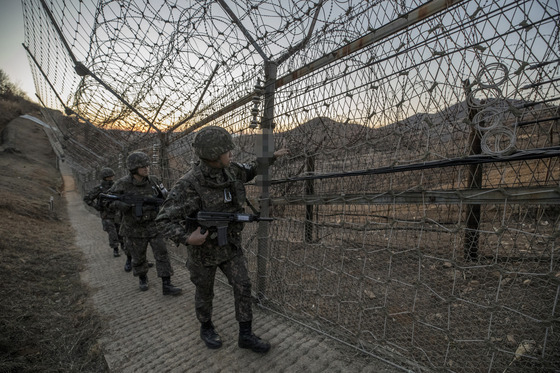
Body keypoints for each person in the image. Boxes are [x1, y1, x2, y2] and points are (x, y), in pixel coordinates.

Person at [156, 126, 288, 353]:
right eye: (227, 151)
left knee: (243, 285)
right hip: (203, 252)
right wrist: (188, 238)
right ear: (213, 155)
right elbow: (162, 220)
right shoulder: (188, 185)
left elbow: (252, 169)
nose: (231, 154)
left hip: (229, 247)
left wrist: (271, 158)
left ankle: (245, 335)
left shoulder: (231, 171)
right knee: (205, 292)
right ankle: (206, 327)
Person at [107, 151, 182, 296]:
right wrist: (122, 205)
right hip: (133, 228)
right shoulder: (122, 184)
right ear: (134, 168)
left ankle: (167, 284)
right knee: (138, 256)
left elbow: (165, 197)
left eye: (147, 165)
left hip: (154, 226)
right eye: (143, 166)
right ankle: (142, 278)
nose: (147, 168)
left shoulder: (154, 181)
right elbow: (106, 201)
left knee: (162, 254)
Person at [83, 167, 126, 260]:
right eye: (108, 177)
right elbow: (87, 198)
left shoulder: (117, 186)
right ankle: (115, 248)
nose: (111, 178)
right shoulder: (99, 188)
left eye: (111, 176)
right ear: (104, 178)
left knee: (120, 230)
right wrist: (96, 207)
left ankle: (123, 245)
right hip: (106, 214)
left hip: (117, 213)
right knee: (112, 231)